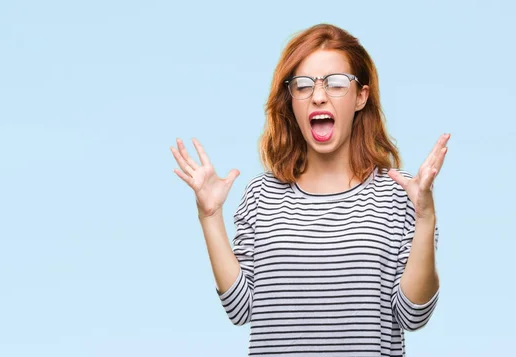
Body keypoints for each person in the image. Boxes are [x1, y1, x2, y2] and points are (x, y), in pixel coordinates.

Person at [170, 23, 449, 356]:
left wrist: (426, 218)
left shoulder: (399, 193)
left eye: (335, 83)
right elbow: (241, 307)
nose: (318, 95)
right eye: (303, 85)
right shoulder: (261, 195)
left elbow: (413, 315)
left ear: (361, 96)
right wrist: (210, 216)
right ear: (291, 100)